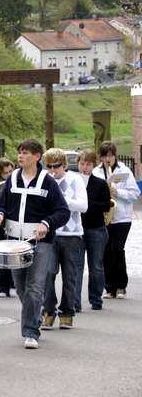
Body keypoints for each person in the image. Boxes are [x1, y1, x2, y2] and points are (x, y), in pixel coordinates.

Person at [0, 139, 69, 349]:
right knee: (20, 287)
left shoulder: (48, 181)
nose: (20, 156)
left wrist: (47, 223)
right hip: (15, 242)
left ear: (37, 156)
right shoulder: (12, 179)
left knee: (34, 287)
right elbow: (2, 204)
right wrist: (0, 214)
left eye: (25, 152)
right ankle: (35, 316)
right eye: (20, 152)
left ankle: (30, 332)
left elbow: (62, 211)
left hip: (41, 242)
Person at [40, 148, 87, 330]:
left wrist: (63, 201)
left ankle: (67, 313)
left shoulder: (75, 179)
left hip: (72, 234)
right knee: (48, 274)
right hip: (50, 234)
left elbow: (83, 206)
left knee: (70, 276)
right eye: (49, 166)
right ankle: (48, 311)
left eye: (57, 166)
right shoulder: (44, 180)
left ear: (65, 165)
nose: (53, 170)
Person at [93, 141, 140, 299]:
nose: (108, 159)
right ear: (101, 157)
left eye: (111, 155)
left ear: (115, 155)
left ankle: (121, 286)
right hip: (104, 217)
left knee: (117, 249)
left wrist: (117, 192)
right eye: (105, 156)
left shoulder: (125, 171)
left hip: (122, 218)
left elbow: (135, 194)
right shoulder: (96, 172)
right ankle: (109, 288)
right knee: (106, 251)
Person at [76, 149, 111, 311]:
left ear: (93, 165)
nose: (85, 167)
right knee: (76, 267)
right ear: (78, 164)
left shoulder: (100, 183)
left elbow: (106, 205)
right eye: (82, 164)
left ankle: (96, 299)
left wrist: (86, 204)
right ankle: (74, 302)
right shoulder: (73, 181)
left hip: (96, 228)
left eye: (88, 164)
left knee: (96, 266)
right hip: (77, 230)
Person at [0, 158, 16, 297]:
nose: (9, 174)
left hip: (11, 223)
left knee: (12, 253)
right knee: (0, 254)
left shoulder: (16, 181)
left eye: (11, 171)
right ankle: (3, 286)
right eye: (6, 173)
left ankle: (12, 281)